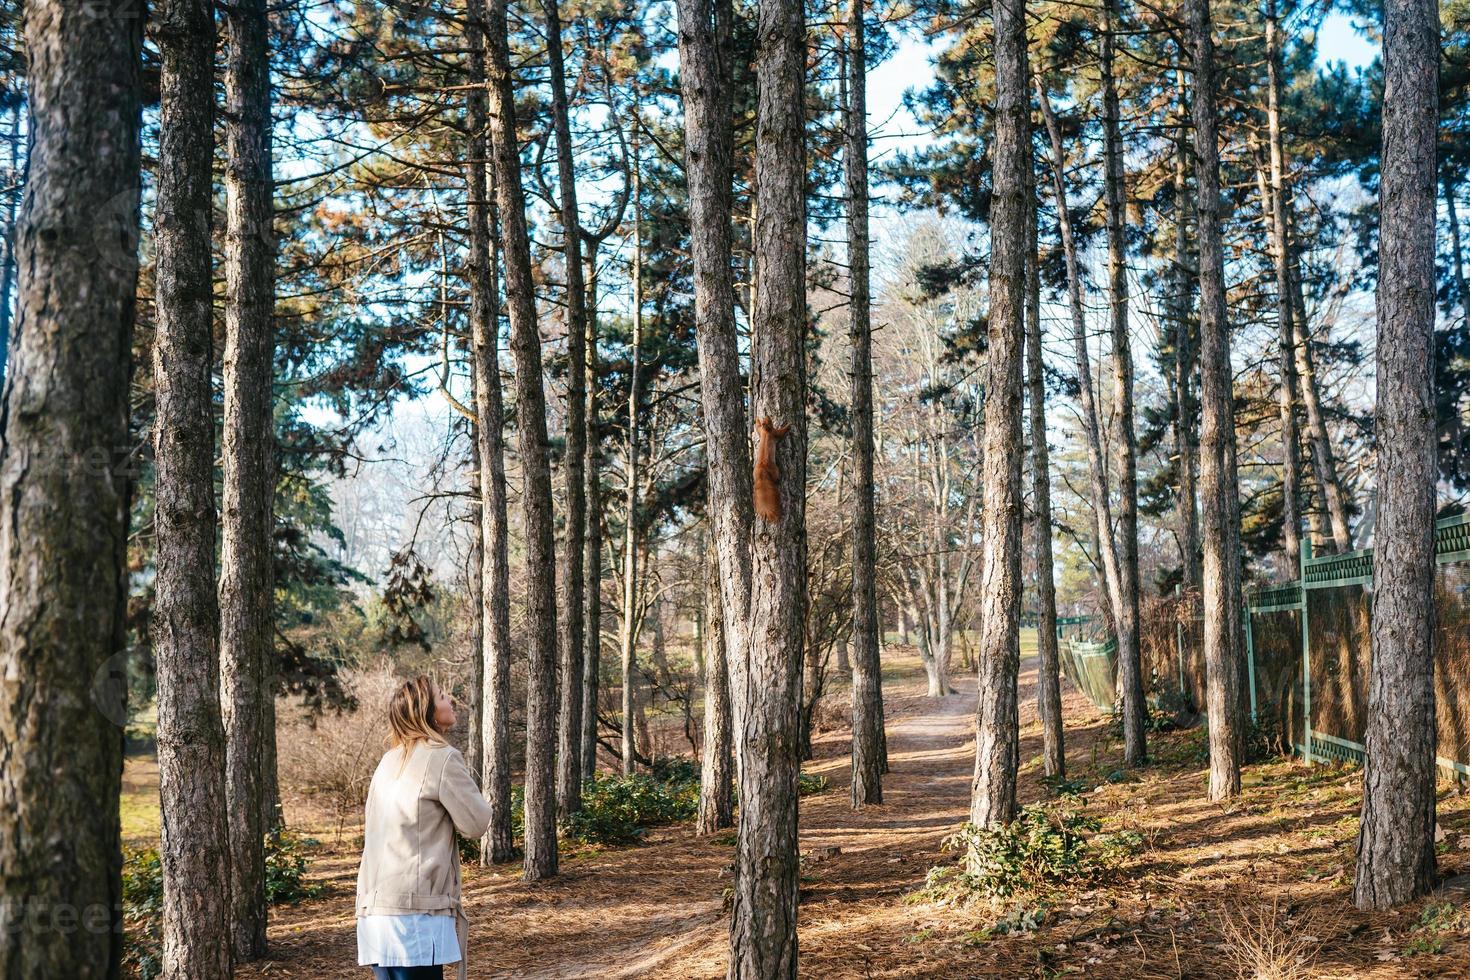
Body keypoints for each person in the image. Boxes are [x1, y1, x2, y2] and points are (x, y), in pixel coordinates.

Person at [356, 676, 491, 980]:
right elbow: (476, 823)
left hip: (375, 912)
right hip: (415, 914)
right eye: (443, 696)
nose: (450, 700)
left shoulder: (387, 762)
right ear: (427, 711)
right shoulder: (441, 758)